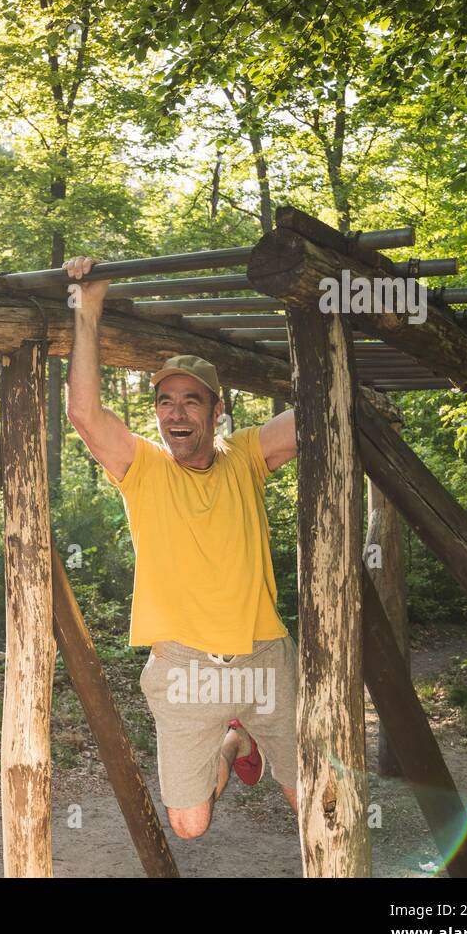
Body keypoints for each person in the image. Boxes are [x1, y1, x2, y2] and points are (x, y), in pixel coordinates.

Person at [63, 254, 300, 840]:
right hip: (183, 666)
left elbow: (313, 416)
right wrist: (86, 312)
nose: (176, 412)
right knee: (190, 825)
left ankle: (249, 732)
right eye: (166, 401)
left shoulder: (245, 455)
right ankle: (233, 740)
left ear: (217, 411)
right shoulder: (142, 468)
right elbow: (84, 413)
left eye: (192, 400)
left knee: (312, 798)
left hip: (262, 658)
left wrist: (319, 307)